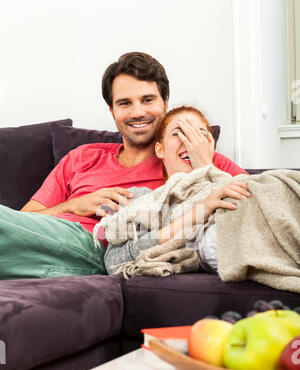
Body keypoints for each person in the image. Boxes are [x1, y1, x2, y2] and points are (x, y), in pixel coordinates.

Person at [0, 52, 246, 280]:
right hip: (45, 241)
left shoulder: (186, 156)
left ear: (165, 103)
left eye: (147, 100)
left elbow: (256, 202)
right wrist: (76, 205)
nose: (137, 112)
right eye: (125, 103)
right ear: (112, 110)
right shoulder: (82, 157)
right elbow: (22, 222)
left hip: (98, 245)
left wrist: (203, 166)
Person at [104, 106, 251, 275]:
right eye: (178, 133)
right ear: (160, 149)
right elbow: (113, 262)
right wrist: (196, 214)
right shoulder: (142, 199)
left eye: (199, 134)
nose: (190, 141)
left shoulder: (230, 184)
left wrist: (206, 167)